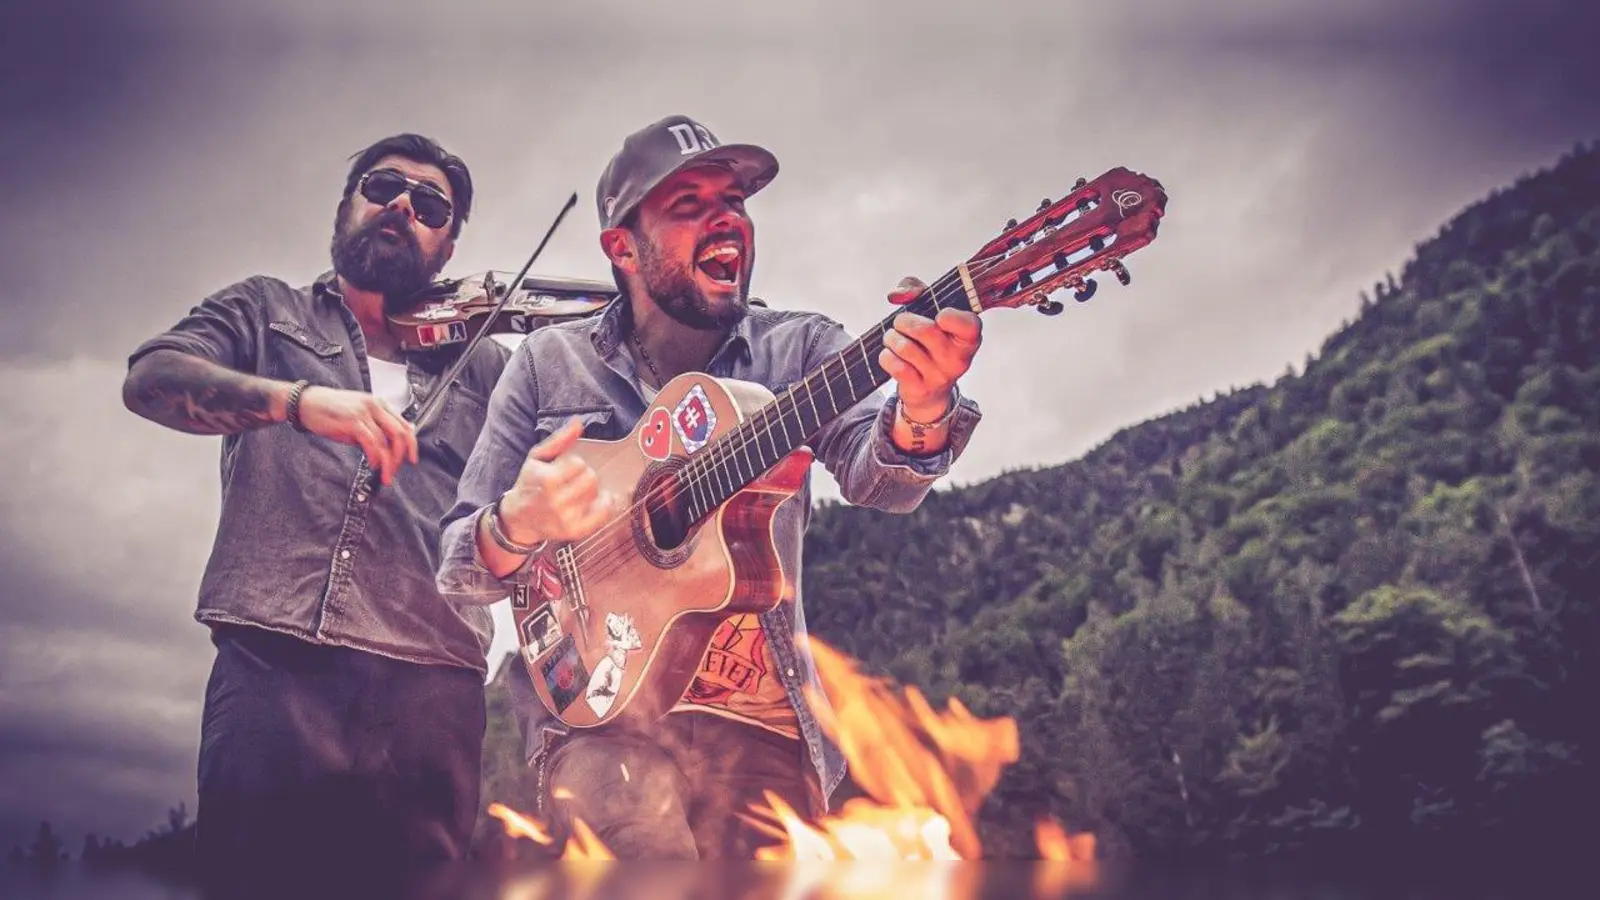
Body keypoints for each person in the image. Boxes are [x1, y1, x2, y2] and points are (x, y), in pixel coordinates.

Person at [435, 114, 985, 859]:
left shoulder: (802, 349)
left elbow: (879, 478)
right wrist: (514, 526)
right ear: (622, 247)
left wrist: (922, 408)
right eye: (690, 203)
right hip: (601, 724)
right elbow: (461, 566)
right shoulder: (545, 365)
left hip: (767, 730)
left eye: (735, 200)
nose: (728, 217)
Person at [121, 133, 509, 888]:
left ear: (449, 242)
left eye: (429, 204)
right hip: (275, 666)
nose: (401, 203)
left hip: (433, 688)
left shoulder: (490, 362)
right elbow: (152, 378)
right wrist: (298, 402)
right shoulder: (267, 312)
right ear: (346, 207)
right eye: (382, 185)